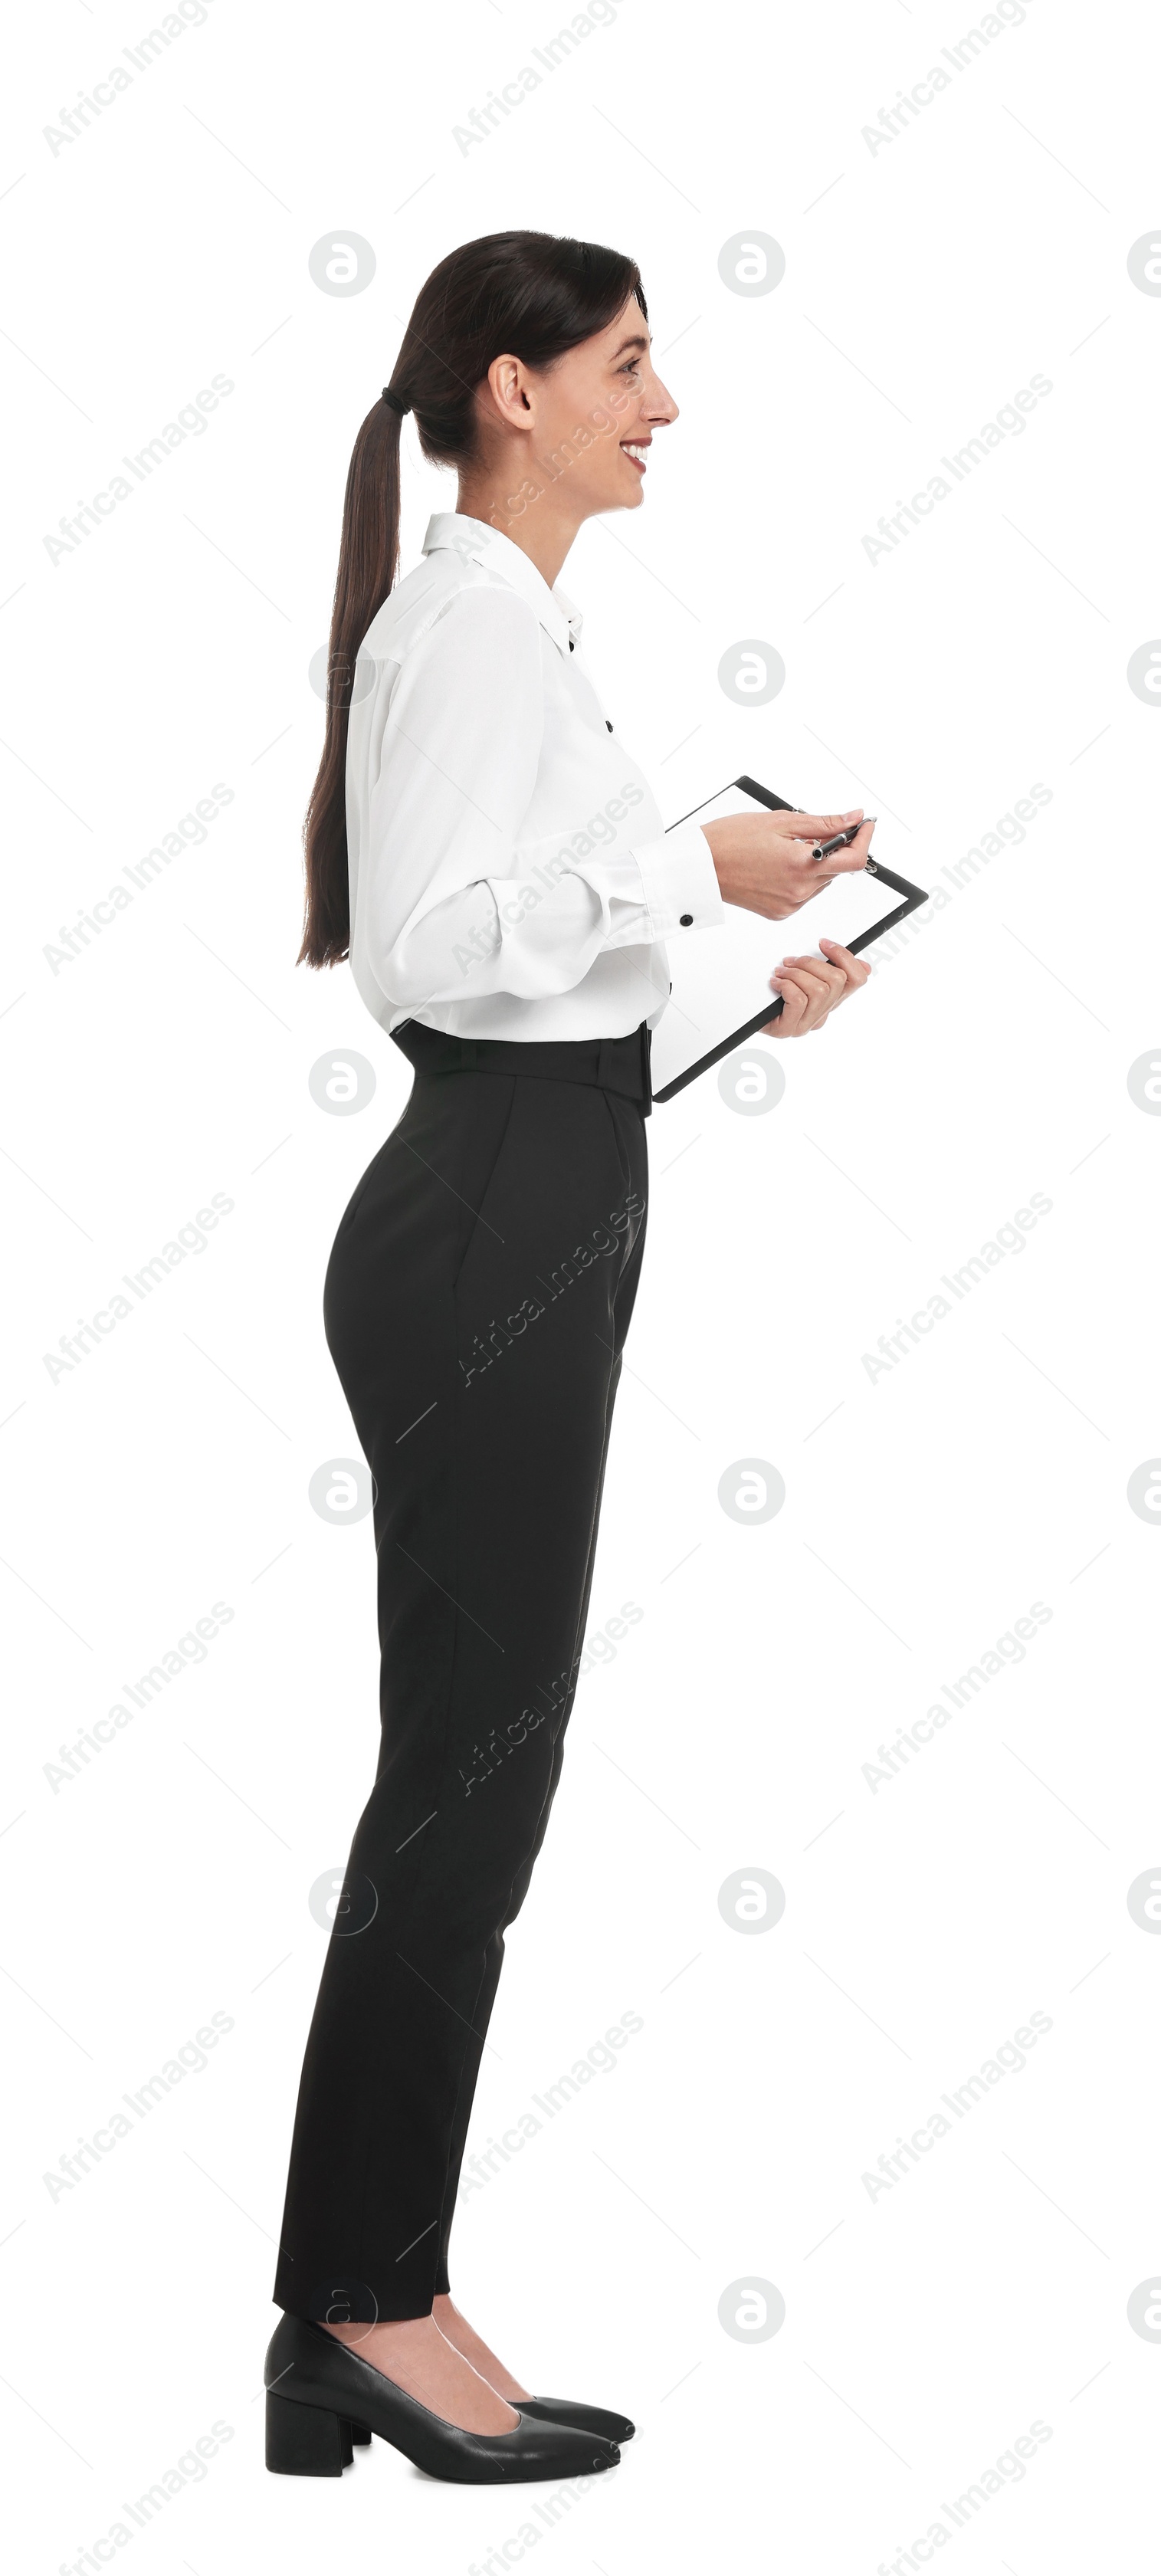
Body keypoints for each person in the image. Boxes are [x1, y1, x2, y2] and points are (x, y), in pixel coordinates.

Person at [264, 228, 873, 2489]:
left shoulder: (517, 641)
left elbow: (556, 1001)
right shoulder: (460, 628)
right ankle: (357, 2304)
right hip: (481, 1221)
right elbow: (422, 961)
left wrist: (736, 968)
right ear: (511, 390)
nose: (665, 403)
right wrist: (677, 869)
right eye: (630, 365)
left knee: (485, 1769)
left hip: (535, 1186)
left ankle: (379, 2283)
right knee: (469, 1776)